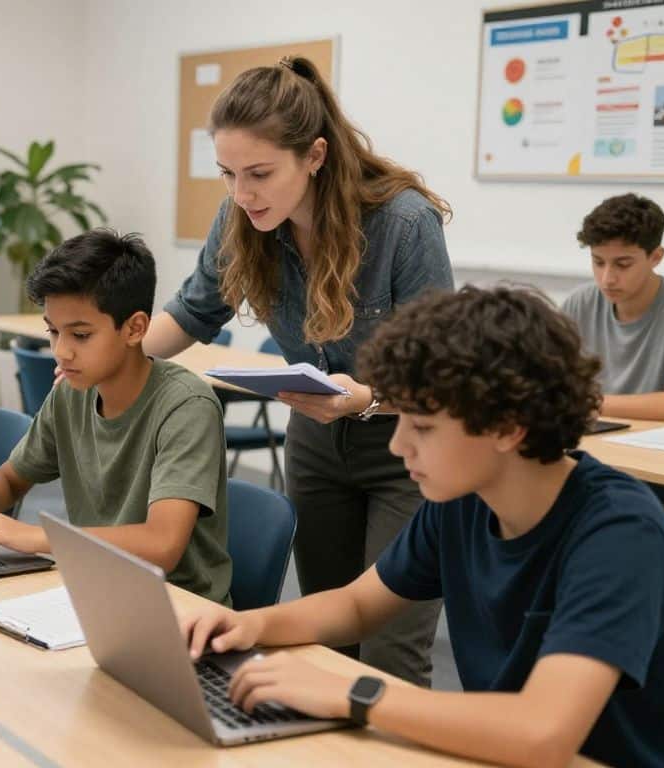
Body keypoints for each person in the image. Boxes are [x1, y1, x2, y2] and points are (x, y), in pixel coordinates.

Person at [181, 285, 664, 767]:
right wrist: (252, 627)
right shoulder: (465, 499)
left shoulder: (619, 531)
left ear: (507, 427)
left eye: (422, 427)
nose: (399, 445)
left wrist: (353, 694)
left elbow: (544, 732)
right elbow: (358, 605)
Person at [146, 55, 452, 684]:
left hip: (411, 448)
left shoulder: (403, 223)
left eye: (259, 173)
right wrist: (110, 359)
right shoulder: (241, 218)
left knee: (392, 650)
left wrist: (363, 397)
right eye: (227, 174)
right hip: (316, 441)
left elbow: (439, 375)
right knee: (329, 641)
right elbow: (191, 312)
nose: (241, 194)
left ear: (314, 156)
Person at [0, 230, 231, 602]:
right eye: (53, 332)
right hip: (95, 588)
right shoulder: (71, 391)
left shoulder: (185, 406)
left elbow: (162, 544)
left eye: (80, 335)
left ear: (135, 328)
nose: (61, 352)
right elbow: (10, 479)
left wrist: (39, 536)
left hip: (177, 609)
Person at [562, 193, 664, 425]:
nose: (607, 279)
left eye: (622, 265)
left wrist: (583, 404)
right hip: (595, 439)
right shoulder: (579, 303)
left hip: (659, 452)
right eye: (598, 262)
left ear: (656, 257)